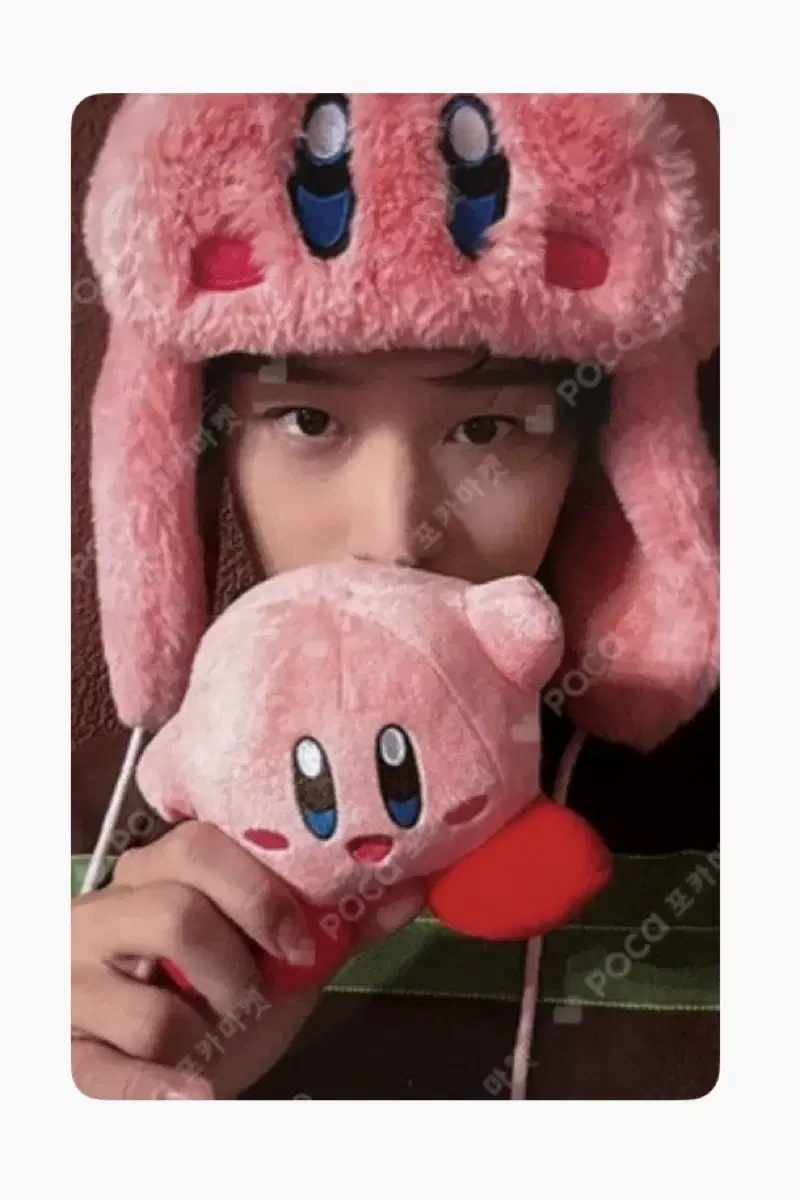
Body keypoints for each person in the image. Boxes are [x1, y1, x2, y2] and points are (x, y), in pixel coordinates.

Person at [72, 93, 719, 1100]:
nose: (392, 533)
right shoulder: (97, 807)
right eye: (306, 419)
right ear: (204, 453)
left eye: (486, 430)